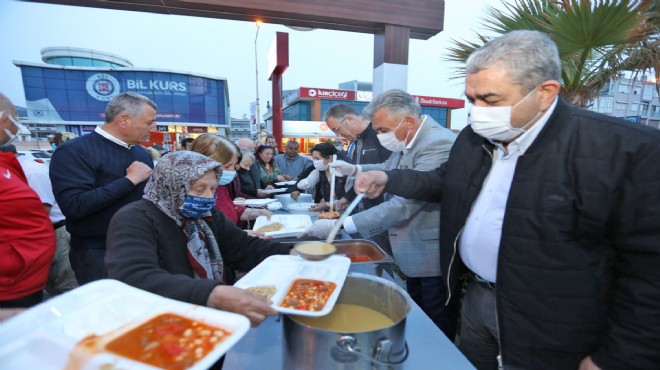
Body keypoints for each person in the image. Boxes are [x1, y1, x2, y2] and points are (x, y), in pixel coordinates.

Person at [355, 30, 660, 370]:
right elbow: (444, 181)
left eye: (491, 100)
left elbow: (649, 272)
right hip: (477, 301)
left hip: (552, 322)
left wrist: (618, 356)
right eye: (472, 100)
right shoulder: (476, 138)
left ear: (545, 93)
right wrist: (389, 178)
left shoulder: (624, 151)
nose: (477, 112)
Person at [305, 90, 458, 339]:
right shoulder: (408, 138)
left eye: (382, 130)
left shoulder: (435, 143)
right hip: (412, 248)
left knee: (435, 323)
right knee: (418, 313)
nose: (379, 136)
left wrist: (344, 225)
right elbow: (388, 168)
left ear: (407, 121)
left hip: (430, 252)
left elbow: (405, 203)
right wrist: (355, 169)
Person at [105, 151, 294, 326]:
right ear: (172, 185)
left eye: (212, 189)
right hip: (165, 323)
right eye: (199, 189)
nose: (207, 197)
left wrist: (293, 251)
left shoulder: (206, 215)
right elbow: (134, 276)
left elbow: (242, 247)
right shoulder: (135, 218)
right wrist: (212, 294)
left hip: (212, 320)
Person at [50, 92, 156, 285]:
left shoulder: (140, 152)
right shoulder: (74, 151)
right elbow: (75, 205)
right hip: (98, 253)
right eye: (149, 123)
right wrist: (129, 180)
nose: (154, 128)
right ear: (123, 120)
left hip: (141, 246)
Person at [0, 93, 55, 309]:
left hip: (24, 283)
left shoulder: (7, 166)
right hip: (9, 290)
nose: (16, 128)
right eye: (16, 120)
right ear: (5, 119)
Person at [0, 144, 78, 296]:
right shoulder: (17, 170)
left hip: (55, 232)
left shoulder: (31, 171)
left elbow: (43, 209)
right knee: (51, 285)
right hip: (41, 233)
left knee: (65, 286)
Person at [324, 103, 393, 253]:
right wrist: (346, 198)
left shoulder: (380, 134)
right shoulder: (356, 142)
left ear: (349, 119)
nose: (338, 135)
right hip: (366, 212)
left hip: (386, 213)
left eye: (336, 129)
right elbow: (361, 178)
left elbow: (390, 170)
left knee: (388, 259)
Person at [190, 134, 272, 232]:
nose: (233, 170)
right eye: (227, 166)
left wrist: (256, 212)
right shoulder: (192, 195)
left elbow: (229, 208)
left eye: (234, 165)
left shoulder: (220, 187)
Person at [306, 142, 349, 211]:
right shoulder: (323, 168)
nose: (315, 162)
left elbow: (348, 198)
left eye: (317, 159)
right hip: (330, 209)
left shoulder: (344, 171)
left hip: (345, 213)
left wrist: (327, 204)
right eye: (313, 158)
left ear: (329, 158)